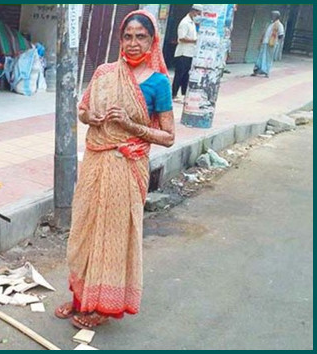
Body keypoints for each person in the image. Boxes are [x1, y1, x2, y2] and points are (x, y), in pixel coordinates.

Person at [55, 10, 175, 330]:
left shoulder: (159, 82)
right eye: (128, 36)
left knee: (113, 237)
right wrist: (90, 117)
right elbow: (83, 110)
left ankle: (103, 307)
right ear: (120, 39)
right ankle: (81, 296)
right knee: (86, 230)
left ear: (152, 41)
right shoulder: (105, 72)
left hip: (127, 166)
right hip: (96, 162)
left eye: (141, 37)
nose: (133, 43)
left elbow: (168, 136)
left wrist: (131, 124)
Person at [172, 4, 203, 103]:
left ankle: (184, 94)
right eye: (198, 13)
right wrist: (195, 41)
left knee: (186, 75)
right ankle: (174, 94)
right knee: (179, 75)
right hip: (183, 53)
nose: (199, 15)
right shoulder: (185, 23)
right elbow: (181, 38)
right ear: (193, 11)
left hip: (190, 53)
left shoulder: (192, 23)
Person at [252, 11, 285, 78]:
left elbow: (281, 35)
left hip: (271, 44)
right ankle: (257, 70)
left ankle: (266, 72)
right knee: (260, 57)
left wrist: (275, 40)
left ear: (276, 16)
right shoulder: (270, 24)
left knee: (268, 58)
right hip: (265, 42)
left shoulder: (279, 25)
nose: (271, 16)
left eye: (273, 15)